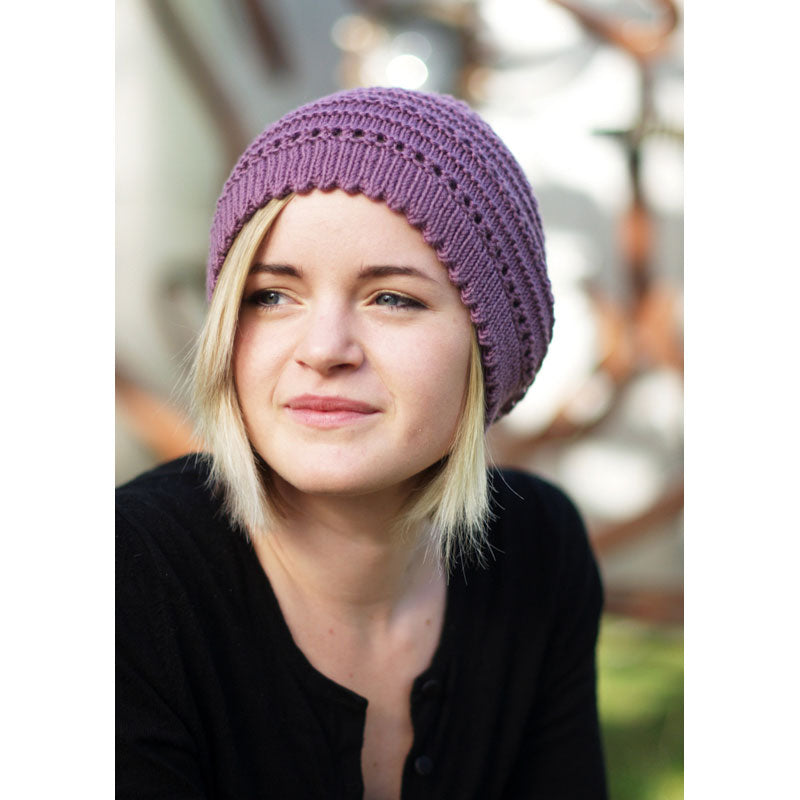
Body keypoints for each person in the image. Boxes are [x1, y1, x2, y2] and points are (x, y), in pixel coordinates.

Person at [116, 86, 607, 799]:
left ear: (490, 349)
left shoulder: (538, 549)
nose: (324, 349)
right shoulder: (126, 577)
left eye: (393, 298)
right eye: (272, 295)